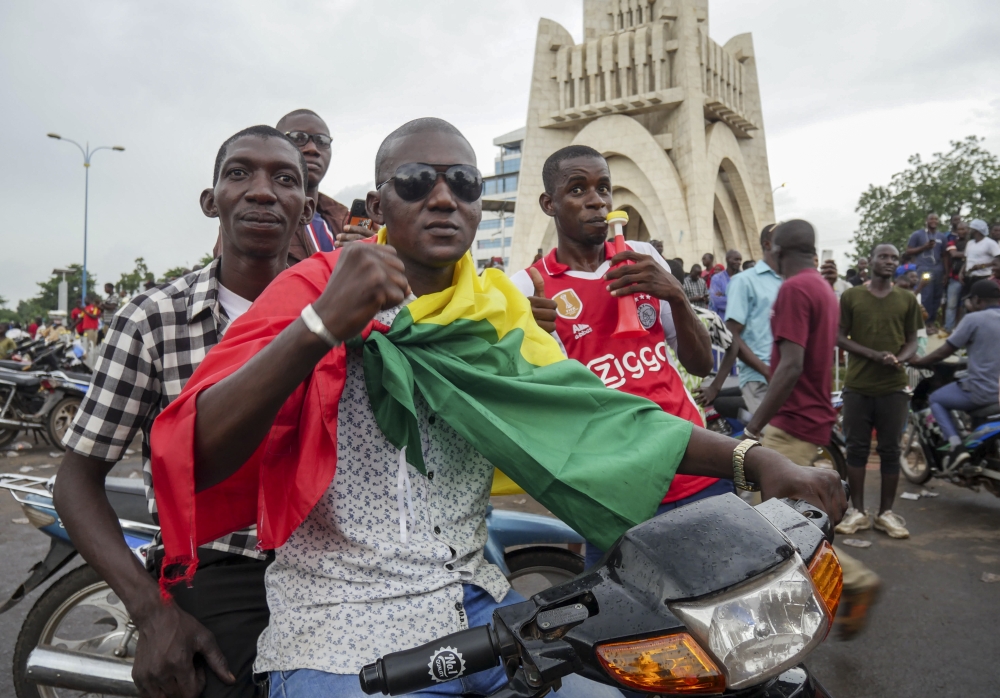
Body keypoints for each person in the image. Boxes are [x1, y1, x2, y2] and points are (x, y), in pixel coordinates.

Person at [148, 119, 845, 697]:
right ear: (379, 204)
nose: (443, 198)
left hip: (479, 611)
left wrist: (756, 458)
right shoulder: (313, 288)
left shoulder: (495, 308)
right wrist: (321, 325)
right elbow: (200, 450)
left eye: (464, 183)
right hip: (337, 628)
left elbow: (594, 415)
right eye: (417, 182)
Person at [53, 125, 316, 698]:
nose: (263, 191)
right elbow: (76, 478)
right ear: (210, 200)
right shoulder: (151, 320)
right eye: (239, 173)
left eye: (284, 179)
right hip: (218, 574)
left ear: (307, 206)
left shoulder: (340, 309)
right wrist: (153, 613)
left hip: (336, 573)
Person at [509, 144, 724, 570]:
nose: (597, 201)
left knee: (727, 598)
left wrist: (676, 296)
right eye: (577, 190)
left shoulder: (643, 258)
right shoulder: (527, 287)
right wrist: (530, 341)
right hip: (616, 493)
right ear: (549, 204)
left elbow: (701, 366)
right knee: (631, 610)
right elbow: (531, 406)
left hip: (696, 472)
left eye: (603, 188)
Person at [836, 243, 921, 540]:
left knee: (890, 450)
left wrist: (900, 358)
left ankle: (886, 514)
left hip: (893, 387)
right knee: (856, 450)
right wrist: (874, 355)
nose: (889, 261)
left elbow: (913, 340)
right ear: (870, 261)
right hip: (858, 386)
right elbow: (839, 336)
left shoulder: (907, 299)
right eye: (883, 256)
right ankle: (857, 512)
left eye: (894, 258)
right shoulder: (851, 296)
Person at [212, 110, 372, 265]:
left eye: (322, 141)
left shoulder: (343, 220)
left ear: (307, 210)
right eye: (298, 137)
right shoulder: (255, 219)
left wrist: (374, 249)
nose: (312, 149)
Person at [909, 280, 1000, 466]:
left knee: (936, 399)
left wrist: (919, 361)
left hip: (983, 392)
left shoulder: (974, 319)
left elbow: (945, 351)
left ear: (977, 300)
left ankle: (956, 447)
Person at [708, 225, 781, 415]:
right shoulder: (743, 281)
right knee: (770, 434)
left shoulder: (788, 281)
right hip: (760, 378)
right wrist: (766, 370)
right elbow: (731, 333)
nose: (738, 262)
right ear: (767, 244)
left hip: (786, 377)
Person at [906, 213, 947, 333]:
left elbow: (945, 255)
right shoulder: (917, 234)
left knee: (937, 296)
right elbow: (908, 250)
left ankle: (931, 323)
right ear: (926, 221)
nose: (933, 221)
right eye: (931, 219)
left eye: (936, 219)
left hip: (938, 269)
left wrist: (946, 272)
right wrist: (924, 247)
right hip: (924, 267)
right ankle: (924, 323)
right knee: (926, 295)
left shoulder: (941, 236)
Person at [943, 221, 969, 334]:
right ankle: (948, 328)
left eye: (963, 229)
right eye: (959, 229)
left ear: (968, 230)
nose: (961, 231)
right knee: (951, 305)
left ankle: (963, 330)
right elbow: (954, 254)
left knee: (965, 305)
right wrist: (971, 254)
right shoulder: (952, 242)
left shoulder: (972, 243)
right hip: (954, 277)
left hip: (969, 279)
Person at [962, 219, 1000, 295]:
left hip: (984, 277)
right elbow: (967, 260)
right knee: (967, 298)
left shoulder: (990, 243)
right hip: (970, 277)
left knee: (981, 299)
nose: (969, 231)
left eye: (971, 229)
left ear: (976, 230)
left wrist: (981, 266)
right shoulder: (970, 243)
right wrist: (961, 272)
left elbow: (997, 262)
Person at [709, 249, 742, 315]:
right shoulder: (717, 278)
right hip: (722, 318)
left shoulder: (744, 278)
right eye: (736, 259)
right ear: (727, 259)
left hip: (741, 318)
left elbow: (748, 300)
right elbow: (716, 301)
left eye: (740, 260)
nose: (739, 262)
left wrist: (724, 295)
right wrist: (739, 302)